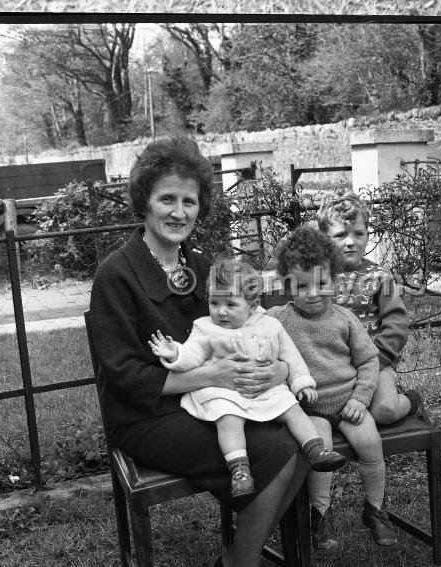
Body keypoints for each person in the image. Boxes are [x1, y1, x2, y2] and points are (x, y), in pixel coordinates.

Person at [90, 135, 309, 567]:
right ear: (145, 202)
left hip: (219, 400)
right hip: (146, 415)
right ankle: (243, 562)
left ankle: (237, 556)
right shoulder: (115, 274)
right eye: (166, 198)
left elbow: (256, 328)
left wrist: (280, 371)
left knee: (306, 436)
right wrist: (214, 376)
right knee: (278, 448)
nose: (178, 212)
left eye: (188, 201)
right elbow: (125, 378)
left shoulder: (204, 267)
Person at [149, 259, 347, 499]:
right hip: (225, 391)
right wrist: (176, 353)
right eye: (214, 303)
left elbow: (291, 355)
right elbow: (194, 353)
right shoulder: (205, 327)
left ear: (252, 306)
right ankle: (239, 470)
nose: (220, 311)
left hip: (266, 389)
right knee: (228, 418)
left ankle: (316, 449)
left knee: (292, 409)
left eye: (231, 304)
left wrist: (302, 382)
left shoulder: (271, 326)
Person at [267, 226, 399, 550]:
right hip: (310, 407)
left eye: (321, 283)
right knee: (319, 447)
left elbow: (369, 362)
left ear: (335, 281)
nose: (312, 293)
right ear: (287, 285)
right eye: (301, 285)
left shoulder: (346, 318)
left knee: (369, 441)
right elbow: (253, 332)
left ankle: (375, 510)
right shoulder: (279, 320)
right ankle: (320, 516)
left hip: (347, 400)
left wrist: (360, 398)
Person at [312, 187, 427, 550]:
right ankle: (319, 513)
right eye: (340, 235)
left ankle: (412, 400)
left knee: (385, 409)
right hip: (328, 369)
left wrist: (372, 364)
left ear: (368, 234)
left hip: (374, 362)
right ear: (323, 238)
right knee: (328, 429)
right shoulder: (315, 277)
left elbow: (395, 326)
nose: (350, 242)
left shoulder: (379, 276)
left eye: (358, 233)